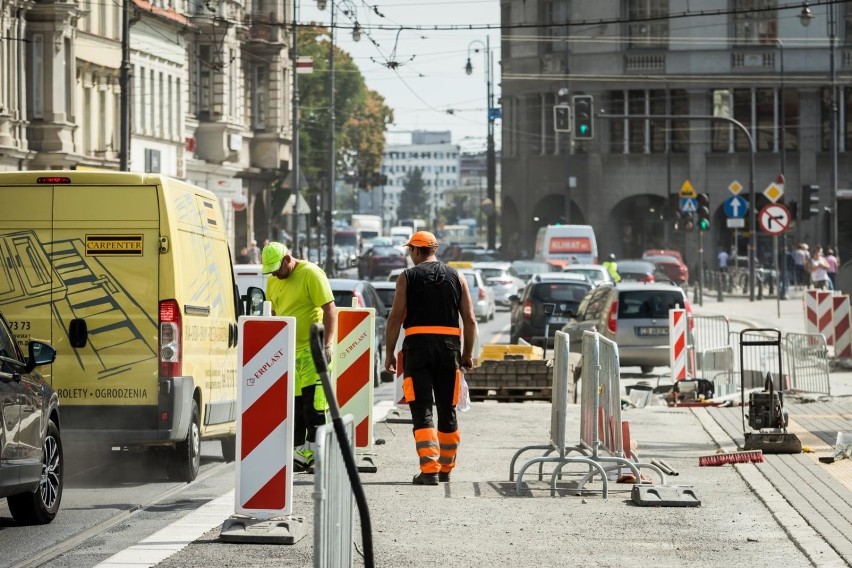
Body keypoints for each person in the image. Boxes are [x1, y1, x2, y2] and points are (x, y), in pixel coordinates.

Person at [384, 231, 477, 486]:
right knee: (447, 408)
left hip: (417, 349)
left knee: (422, 408)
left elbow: (395, 318)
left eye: (409, 250)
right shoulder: (457, 276)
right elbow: (469, 320)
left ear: (416, 250)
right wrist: (467, 355)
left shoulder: (407, 277)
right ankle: (446, 468)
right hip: (449, 350)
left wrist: (389, 352)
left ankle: (429, 470)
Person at [262, 242, 337, 471]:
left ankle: (319, 457)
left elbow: (329, 309)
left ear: (287, 259)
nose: (275, 273)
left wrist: (326, 345)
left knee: (314, 407)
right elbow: (275, 314)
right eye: (271, 270)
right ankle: (300, 454)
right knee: (295, 409)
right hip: (289, 353)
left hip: (312, 351)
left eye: (277, 268)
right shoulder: (273, 281)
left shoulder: (311, 274)